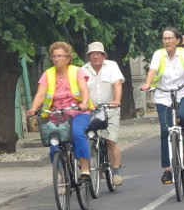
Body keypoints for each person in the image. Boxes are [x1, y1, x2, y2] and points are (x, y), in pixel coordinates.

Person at [140, 28, 184, 184]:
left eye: (170, 38)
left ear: (177, 40)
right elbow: (152, 70)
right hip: (164, 94)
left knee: (183, 116)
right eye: (164, 38)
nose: (166, 41)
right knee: (165, 130)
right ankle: (167, 170)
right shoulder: (158, 55)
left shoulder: (183, 53)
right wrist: (147, 84)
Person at [27, 42, 92, 178]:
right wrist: (33, 108)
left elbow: (84, 90)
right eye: (54, 56)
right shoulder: (48, 74)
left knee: (78, 134)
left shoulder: (76, 71)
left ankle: (84, 168)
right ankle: (62, 177)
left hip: (77, 113)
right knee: (53, 145)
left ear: (68, 58)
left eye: (60, 56)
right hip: (56, 116)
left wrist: (84, 102)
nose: (57, 59)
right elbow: (40, 94)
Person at [82, 41, 125, 186]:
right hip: (92, 110)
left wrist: (116, 100)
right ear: (89, 56)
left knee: (111, 140)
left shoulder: (111, 66)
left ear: (103, 55)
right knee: (89, 138)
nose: (95, 57)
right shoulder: (83, 70)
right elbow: (82, 91)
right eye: (92, 54)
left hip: (110, 108)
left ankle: (116, 171)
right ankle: (92, 164)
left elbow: (117, 84)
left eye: (98, 54)